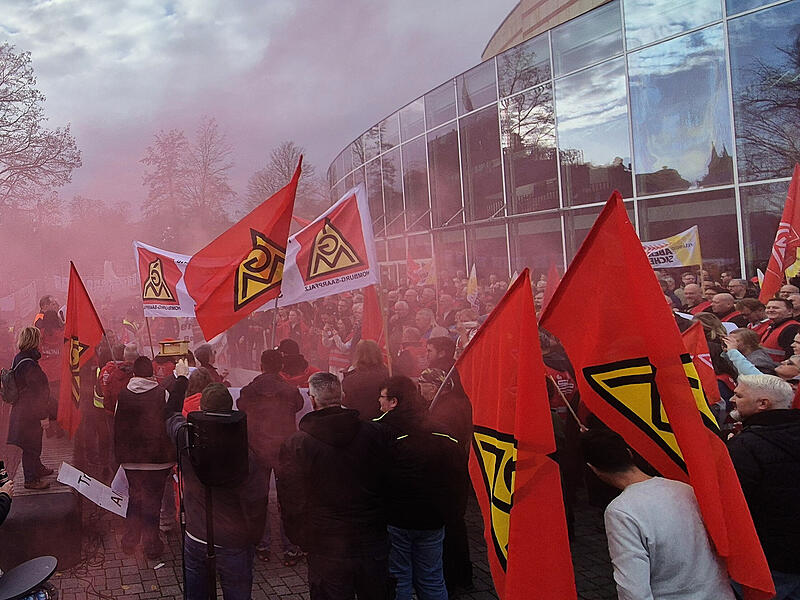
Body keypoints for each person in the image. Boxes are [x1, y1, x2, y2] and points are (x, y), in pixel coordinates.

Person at [580, 428, 735, 599]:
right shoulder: (684, 489)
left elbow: (633, 590)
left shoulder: (621, 511)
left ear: (593, 469)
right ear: (629, 453)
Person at [278, 372, 390, 600]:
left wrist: (300, 538)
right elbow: (389, 481)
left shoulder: (298, 444)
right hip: (369, 536)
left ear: (313, 400)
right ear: (342, 396)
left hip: (327, 542)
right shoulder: (375, 433)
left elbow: (291, 499)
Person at [166, 379, 268, 600]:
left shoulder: (187, 441)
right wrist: (255, 536)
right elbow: (257, 500)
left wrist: (180, 380)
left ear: (202, 409)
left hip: (196, 536)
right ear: (230, 408)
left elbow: (171, 416)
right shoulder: (248, 452)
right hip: (234, 540)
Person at [375, 375, 466, 600]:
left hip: (396, 520)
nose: (379, 402)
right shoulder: (443, 431)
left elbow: (376, 477)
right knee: (432, 577)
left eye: (382, 397)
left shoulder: (381, 432)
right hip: (434, 519)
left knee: (399, 577)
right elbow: (458, 477)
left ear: (394, 402)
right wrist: (452, 513)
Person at [727, 374, 800, 598]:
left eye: (739, 395)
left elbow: (735, 505)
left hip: (769, 562)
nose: (731, 399)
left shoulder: (746, 446)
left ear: (763, 404)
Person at [114, 356, 187, 558]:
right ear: (151, 373)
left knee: (135, 499)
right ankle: (151, 545)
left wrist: (120, 456)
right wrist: (182, 380)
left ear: (135, 373)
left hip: (131, 460)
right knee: (153, 503)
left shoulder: (123, 395)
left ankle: (130, 541)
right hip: (157, 461)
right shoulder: (160, 393)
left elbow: (117, 427)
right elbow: (172, 414)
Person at [237, 349, 303, 565]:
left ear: (261, 365)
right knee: (288, 500)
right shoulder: (289, 390)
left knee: (258, 499)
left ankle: (262, 545)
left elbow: (240, 406)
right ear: (281, 367)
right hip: (284, 450)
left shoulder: (250, 390)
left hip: (258, 449)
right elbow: (299, 405)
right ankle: (291, 548)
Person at [7, 327, 52, 490]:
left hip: (23, 410)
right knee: (30, 445)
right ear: (34, 341)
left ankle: (37, 468)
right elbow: (36, 393)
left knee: (34, 442)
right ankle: (31, 480)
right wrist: (43, 416)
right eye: (39, 339)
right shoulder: (28, 364)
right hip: (28, 412)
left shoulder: (20, 358)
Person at [342, 340, 390, 422]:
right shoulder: (390, 375)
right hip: (384, 424)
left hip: (360, 425)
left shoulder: (350, 380)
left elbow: (346, 406)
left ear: (357, 355)